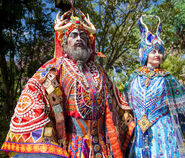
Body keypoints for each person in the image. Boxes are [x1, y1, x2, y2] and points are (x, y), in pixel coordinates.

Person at [1, 9, 135, 158]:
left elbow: (117, 104)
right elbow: (33, 93)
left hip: (102, 147)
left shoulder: (100, 72)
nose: (79, 38)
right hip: (73, 147)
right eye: (74, 35)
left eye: (83, 35)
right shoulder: (56, 68)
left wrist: (131, 123)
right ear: (65, 41)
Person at [123, 15, 185, 158]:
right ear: (145, 53)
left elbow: (182, 102)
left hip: (163, 130)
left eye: (159, 52)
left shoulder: (168, 78)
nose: (157, 54)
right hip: (139, 132)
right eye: (153, 51)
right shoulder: (134, 77)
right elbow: (124, 103)